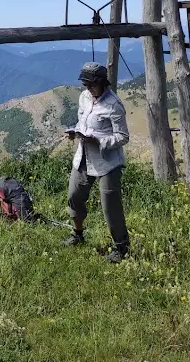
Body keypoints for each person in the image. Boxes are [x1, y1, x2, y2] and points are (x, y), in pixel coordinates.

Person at [62, 62, 130, 263]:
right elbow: (82, 122)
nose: (88, 88)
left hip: (108, 163)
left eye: (91, 84)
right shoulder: (84, 97)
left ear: (101, 82)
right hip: (83, 156)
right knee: (74, 196)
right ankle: (78, 234)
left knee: (110, 206)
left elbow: (123, 137)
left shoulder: (114, 105)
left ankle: (121, 247)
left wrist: (99, 141)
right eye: (85, 84)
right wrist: (75, 132)